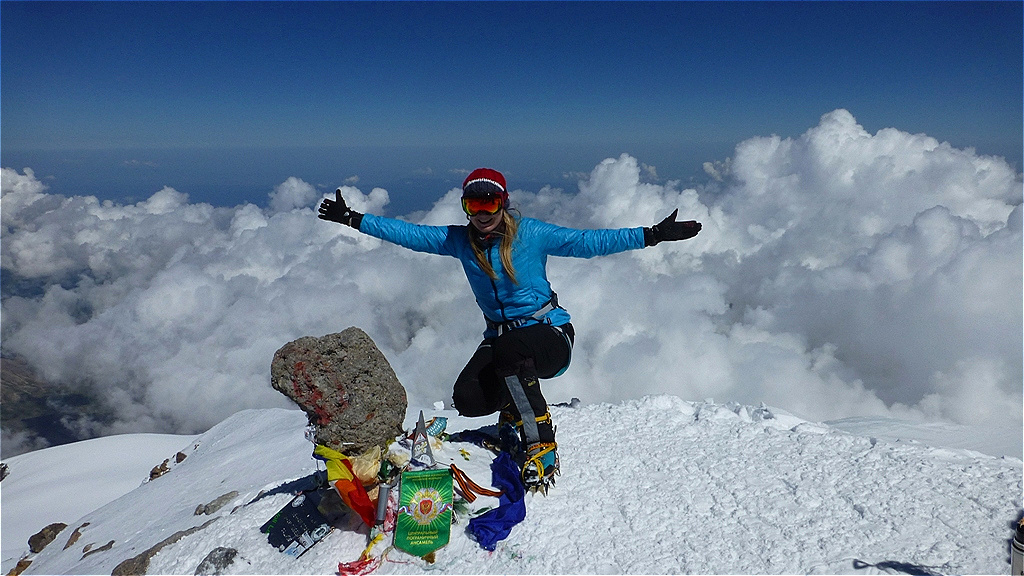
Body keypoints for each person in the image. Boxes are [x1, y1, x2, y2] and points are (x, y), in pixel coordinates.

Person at [318, 168, 700, 492]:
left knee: (508, 351)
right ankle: (513, 412)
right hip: (504, 342)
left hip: (550, 336)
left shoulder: (530, 234)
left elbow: (587, 242)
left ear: (503, 203)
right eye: (474, 204)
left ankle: (541, 442)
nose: (482, 213)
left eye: (489, 203)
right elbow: (409, 234)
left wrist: (651, 235)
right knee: (467, 398)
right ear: (466, 207)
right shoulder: (460, 241)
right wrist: (352, 218)